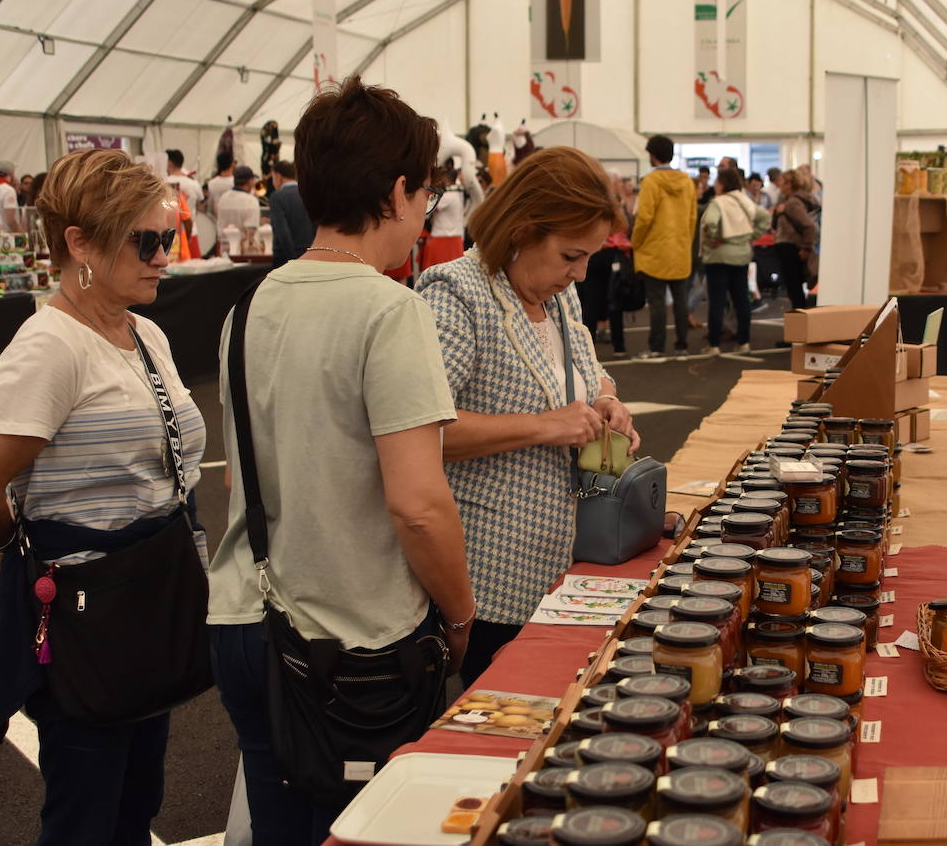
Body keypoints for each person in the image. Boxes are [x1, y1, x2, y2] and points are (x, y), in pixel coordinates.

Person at [208, 76, 475, 845]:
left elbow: (239, 476)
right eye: (424, 192)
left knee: (281, 822)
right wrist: (457, 613)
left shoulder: (249, 306)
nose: (425, 210)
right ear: (396, 192)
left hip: (246, 624)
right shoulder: (391, 311)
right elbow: (418, 504)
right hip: (351, 645)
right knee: (372, 828)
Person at [0, 149, 207, 844]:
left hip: (143, 604)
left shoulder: (141, 330)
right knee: (85, 816)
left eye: (171, 235)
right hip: (88, 618)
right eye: (149, 240)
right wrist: (11, 540)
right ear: (79, 243)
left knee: (134, 802)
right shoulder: (51, 347)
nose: (165, 255)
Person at [417, 146, 638, 685]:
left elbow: (586, 368)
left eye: (588, 256)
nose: (581, 273)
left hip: (565, 562)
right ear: (520, 231)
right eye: (570, 255)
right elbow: (420, 430)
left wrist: (606, 399)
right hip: (489, 578)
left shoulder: (558, 297)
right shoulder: (455, 294)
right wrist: (545, 426)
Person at [631, 135, 697, 358]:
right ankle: (682, 345)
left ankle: (657, 347)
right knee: (680, 302)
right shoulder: (687, 181)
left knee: (657, 303)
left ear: (653, 155)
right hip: (680, 250)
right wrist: (685, 242)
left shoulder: (650, 182)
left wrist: (635, 242)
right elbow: (692, 218)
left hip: (654, 252)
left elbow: (644, 218)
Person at [701, 167, 770, 356]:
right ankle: (744, 342)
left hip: (718, 257)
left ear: (721, 184)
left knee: (717, 301)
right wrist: (752, 236)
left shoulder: (718, 202)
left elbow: (710, 224)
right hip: (742, 255)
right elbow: (765, 217)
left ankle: (714, 344)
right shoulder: (744, 201)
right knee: (742, 300)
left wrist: (713, 239)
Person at [577, 171, 631, 358]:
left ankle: (587, 351)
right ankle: (619, 347)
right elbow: (623, 229)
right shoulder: (615, 205)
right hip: (612, 256)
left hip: (594, 255)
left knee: (590, 303)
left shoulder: (588, 203)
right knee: (614, 301)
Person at [774, 168, 820, 312]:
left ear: (789, 184)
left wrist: (806, 248)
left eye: (782, 182)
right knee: (796, 289)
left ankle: (800, 325)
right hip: (794, 247)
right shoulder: (794, 200)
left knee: (795, 290)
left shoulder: (792, 203)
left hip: (791, 248)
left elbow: (809, 226)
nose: (779, 185)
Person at [267, 159, 314, 267]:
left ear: (278, 176)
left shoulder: (277, 197)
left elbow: (282, 232)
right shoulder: (308, 194)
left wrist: (292, 261)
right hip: (308, 254)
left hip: (284, 258)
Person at [217, 165, 261, 252]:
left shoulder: (223, 198)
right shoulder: (251, 201)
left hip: (224, 250)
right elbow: (251, 232)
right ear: (249, 181)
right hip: (242, 252)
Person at [165, 149, 205, 219]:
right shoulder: (194, 184)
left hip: (171, 227)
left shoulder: (163, 183)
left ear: (169, 163)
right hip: (190, 226)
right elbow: (199, 207)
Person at [0, 160, 20, 231]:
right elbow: (10, 220)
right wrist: (21, 235)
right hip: (7, 236)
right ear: (11, 174)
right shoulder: (8, 190)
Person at [206, 152, 235, 217]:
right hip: (234, 219)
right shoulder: (235, 182)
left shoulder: (211, 183)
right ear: (232, 164)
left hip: (217, 220)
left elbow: (209, 206)